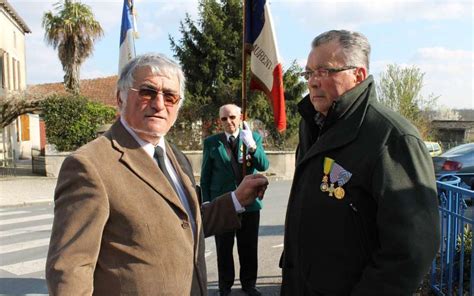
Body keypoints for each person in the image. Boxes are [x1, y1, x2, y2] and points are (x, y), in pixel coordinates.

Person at [45, 53, 269, 296]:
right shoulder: (89, 165)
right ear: (120, 98)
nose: (159, 104)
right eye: (147, 92)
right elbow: (70, 270)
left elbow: (185, 223)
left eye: (170, 97)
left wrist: (236, 199)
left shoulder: (175, 156)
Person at [280, 30, 440, 295]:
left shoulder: (392, 138)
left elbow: (412, 249)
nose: (313, 82)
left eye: (324, 71)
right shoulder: (313, 125)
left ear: (358, 75)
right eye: (308, 73)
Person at [200, 104, 269, 296]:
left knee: (248, 247)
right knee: (224, 248)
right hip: (223, 203)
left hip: (249, 204)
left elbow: (263, 165)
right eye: (224, 119)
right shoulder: (212, 142)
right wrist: (207, 202)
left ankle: (249, 284)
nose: (228, 122)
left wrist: (252, 146)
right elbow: (205, 177)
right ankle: (225, 286)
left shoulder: (252, 138)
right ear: (219, 121)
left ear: (240, 118)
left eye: (232, 117)